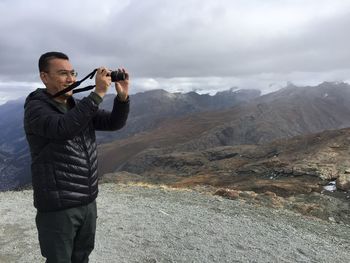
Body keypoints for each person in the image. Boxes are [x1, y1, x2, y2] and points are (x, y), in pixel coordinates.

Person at [23, 51, 130, 262]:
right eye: (63, 73)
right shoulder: (36, 108)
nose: (71, 79)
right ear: (44, 77)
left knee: (81, 258)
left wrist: (122, 98)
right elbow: (63, 128)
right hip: (58, 207)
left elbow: (113, 123)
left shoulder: (76, 105)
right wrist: (98, 93)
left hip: (87, 202)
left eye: (73, 73)